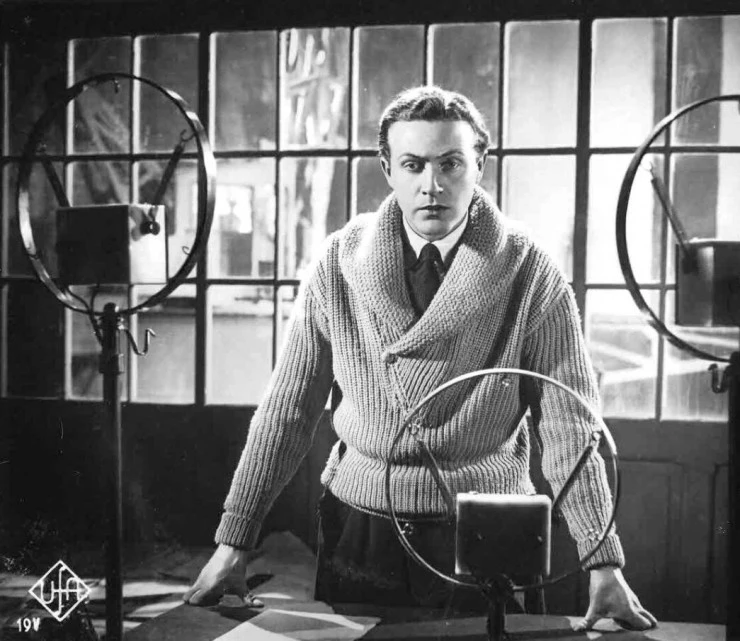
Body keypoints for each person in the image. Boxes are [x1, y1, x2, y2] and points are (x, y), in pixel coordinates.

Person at [183, 86, 657, 632]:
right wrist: (234, 540)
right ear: (388, 169)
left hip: (489, 530)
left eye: (450, 163)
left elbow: (571, 426)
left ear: (479, 165)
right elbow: (287, 411)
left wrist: (603, 562)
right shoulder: (338, 262)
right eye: (413, 165)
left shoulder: (531, 271)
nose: (432, 185)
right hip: (361, 529)